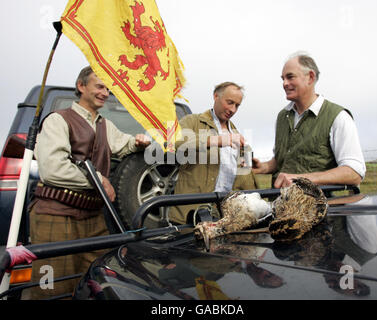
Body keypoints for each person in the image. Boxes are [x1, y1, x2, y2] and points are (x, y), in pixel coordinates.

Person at [28, 66, 151, 299]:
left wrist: (139, 142)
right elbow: (53, 169)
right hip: (56, 213)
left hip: (94, 216)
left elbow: (124, 144)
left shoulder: (105, 125)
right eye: (99, 86)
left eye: (108, 88)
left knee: (99, 281)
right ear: (81, 86)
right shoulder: (58, 119)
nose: (105, 93)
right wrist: (98, 179)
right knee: (52, 287)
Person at [253, 52, 366, 188]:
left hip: (320, 207)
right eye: (282, 78)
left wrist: (301, 179)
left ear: (310, 77)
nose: (284, 83)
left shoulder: (338, 117)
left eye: (290, 77)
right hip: (280, 204)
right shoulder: (282, 116)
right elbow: (284, 159)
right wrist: (264, 167)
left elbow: (354, 172)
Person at [168, 82, 256, 224]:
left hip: (224, 216)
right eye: (230, 102)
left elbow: (246, 180)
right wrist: (217, 140)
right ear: (216, 96)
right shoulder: (193, 121)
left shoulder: (237, 136)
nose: (233, 109)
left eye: (237, 105)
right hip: (190, 215)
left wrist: (250, 164)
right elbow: (175, 141)